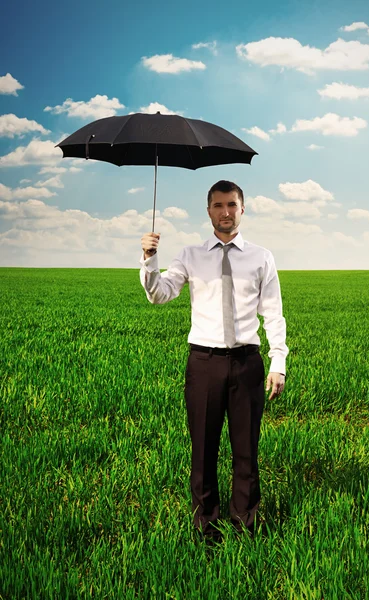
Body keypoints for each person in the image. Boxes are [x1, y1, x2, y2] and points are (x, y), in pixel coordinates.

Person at [139, 180, 288, 541]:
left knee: (246, 452)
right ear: (208, 211)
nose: (225, 212)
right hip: (204, 363)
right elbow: (159, 295)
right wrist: (149, 258)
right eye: (219, 205)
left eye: (232, 205)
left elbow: (273, 313)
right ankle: (206, 528)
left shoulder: (261, 256)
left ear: (242, 208)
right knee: (203, 451)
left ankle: (245, 528)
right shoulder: (190, 255)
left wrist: (277, 362)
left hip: (247, 363)